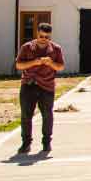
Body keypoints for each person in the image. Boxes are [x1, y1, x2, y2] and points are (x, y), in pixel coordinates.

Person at [14, 22, 65, 154]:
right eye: (42, 36)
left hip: (47, 86)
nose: (44, 39)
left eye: (47, 37)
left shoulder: (56, 49)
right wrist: (34, 62)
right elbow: (19, 65)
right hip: (29, 84)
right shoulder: (27, 47)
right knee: (26, 115)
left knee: (47, 115)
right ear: (37, 34)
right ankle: (26, 143)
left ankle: (46, 143)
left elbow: (60, 67)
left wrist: (51, 62)